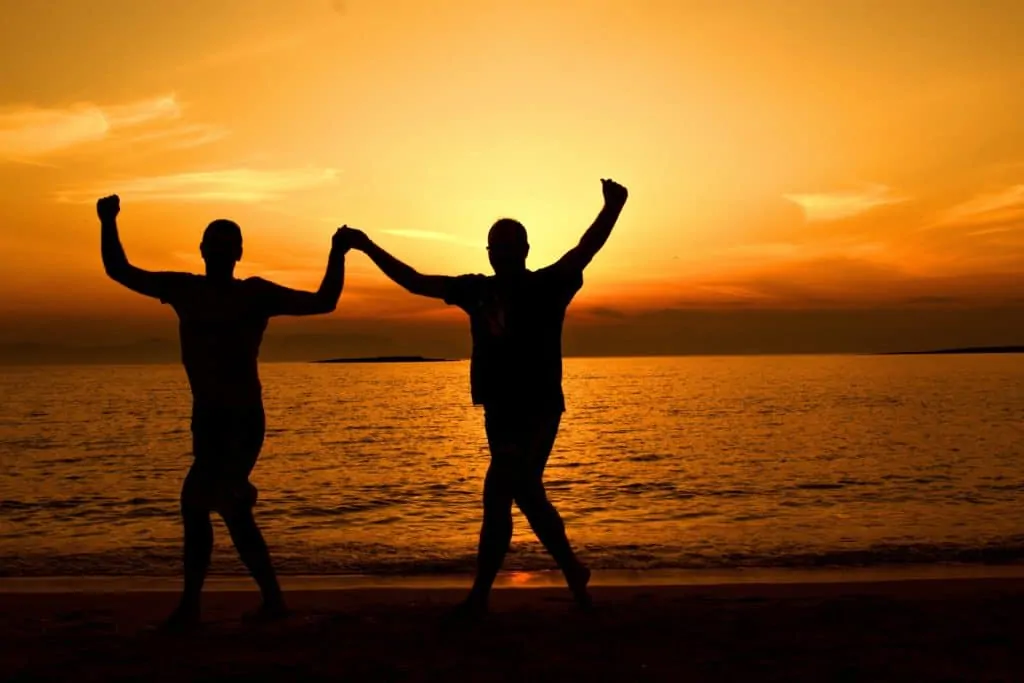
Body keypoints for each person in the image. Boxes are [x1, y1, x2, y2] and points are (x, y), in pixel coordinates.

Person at [340, 178, 628, 617]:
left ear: (526, 249)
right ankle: (573, 571)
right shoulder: (476, 290)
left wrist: (613, 207)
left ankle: (480, 597)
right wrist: (366, 246)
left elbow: (585, 249)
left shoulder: (547, 286)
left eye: (512, 245)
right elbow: (415, 282)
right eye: (497, 246)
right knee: (527, 494)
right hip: (498, 409)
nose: (505, 252)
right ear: (489, 253)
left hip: (538, 409)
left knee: (499, 493)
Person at [97, 194, 351, 629]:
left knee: (198, 503)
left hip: (241, 420)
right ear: (202, 251)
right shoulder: (185, 289)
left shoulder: (254, 294)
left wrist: (336, 253)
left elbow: (324, 301)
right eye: (211, 246)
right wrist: (107, 221)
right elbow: (120, 271)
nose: (217, 253)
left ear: (237, 253)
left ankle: (197, 607)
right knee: (228, 510)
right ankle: (266, 602)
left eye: (224, 246)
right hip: (209, 419)